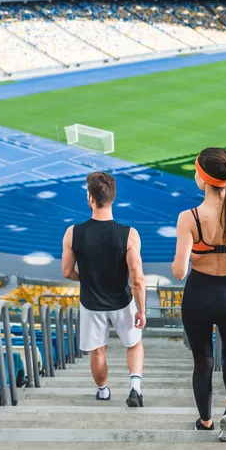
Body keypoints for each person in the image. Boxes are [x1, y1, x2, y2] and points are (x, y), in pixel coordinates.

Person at [172, 148, 226, 441]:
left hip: (198, 294)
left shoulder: (189, 217)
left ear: (203, 178)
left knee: (204, 361)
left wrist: (199, 250)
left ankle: (206, 421)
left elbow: (179, 272)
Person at [62, 171, 146, 407]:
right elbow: (137, 278)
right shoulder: (129, 234)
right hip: (122, 300)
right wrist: (142, 310)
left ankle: (103, 391)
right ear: (112, 198)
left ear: (90, 198)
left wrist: (88, 278)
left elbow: (67, 272)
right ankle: (135, 389)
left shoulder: (73, 233)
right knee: (134, 344)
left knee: (98, 352)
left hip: (91, 303)